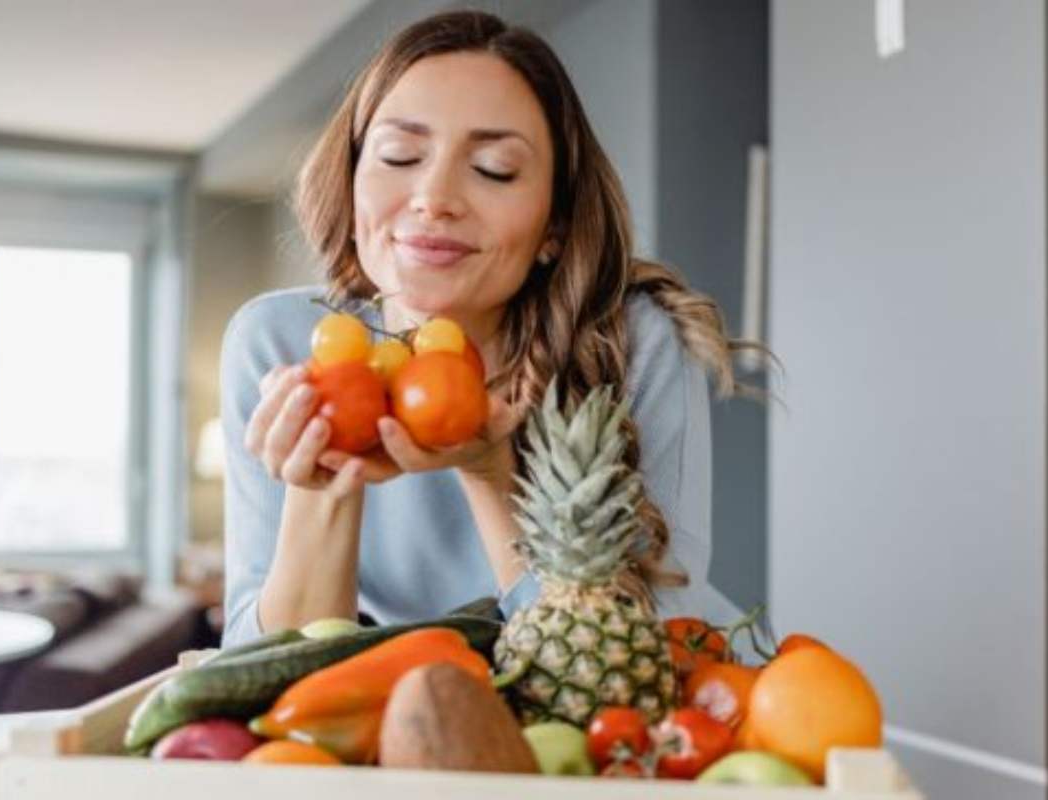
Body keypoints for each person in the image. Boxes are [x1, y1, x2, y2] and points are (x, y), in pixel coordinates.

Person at [219, 10, 763, 648]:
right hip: (418, 713)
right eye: (399, 154)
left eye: (495, 169)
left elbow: (649, 650)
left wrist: (490, 473)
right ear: (353, 174)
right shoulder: (278, 341)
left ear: (554, 227)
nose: (434, 196)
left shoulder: (632, 343)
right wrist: (325, 482)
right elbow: (260, 676)